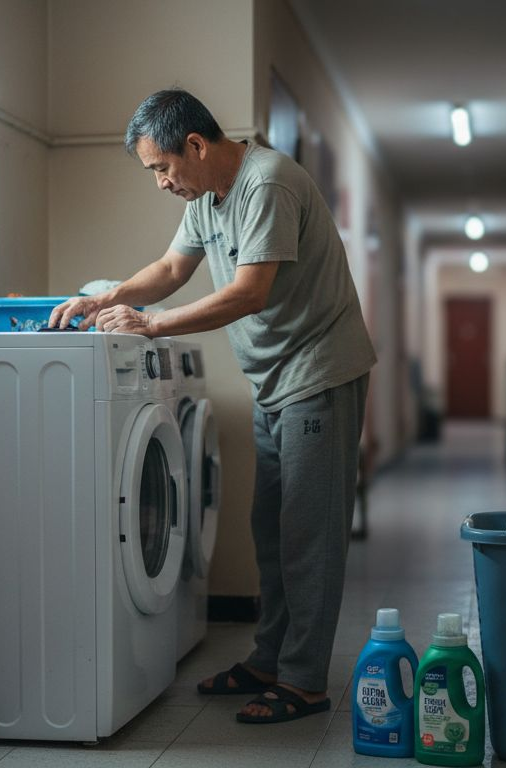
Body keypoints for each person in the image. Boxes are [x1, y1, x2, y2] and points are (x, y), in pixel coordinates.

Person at [47, 88, 375, 724]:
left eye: (162, 168)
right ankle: (269, 659)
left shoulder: (267, 183)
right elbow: (173, 267)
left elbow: (250, 292)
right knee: (271, 531)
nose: (162, 182)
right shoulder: (208, 197)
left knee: (309, 534)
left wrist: (152, 325)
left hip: (318, 373)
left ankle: (304, 681)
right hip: (274, 378)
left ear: (196, 145)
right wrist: (105, 297)